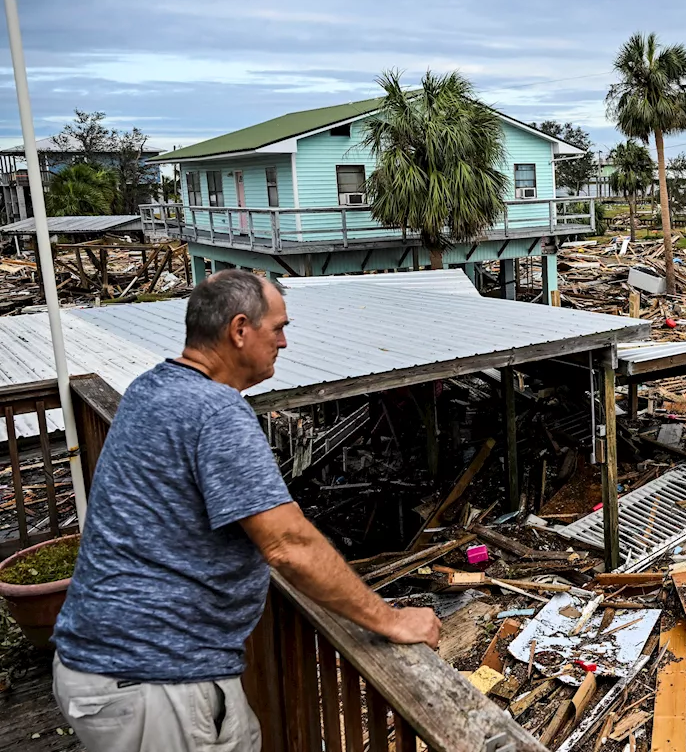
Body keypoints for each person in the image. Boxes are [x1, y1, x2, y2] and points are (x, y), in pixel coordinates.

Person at [51, 270, 440, 752]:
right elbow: (288, 544)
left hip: (110, 664)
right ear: (239, 330)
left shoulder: (151, 388)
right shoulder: (215, 410)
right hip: (154, 676)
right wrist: (390, 619)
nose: (284, 342)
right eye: (278, 328)